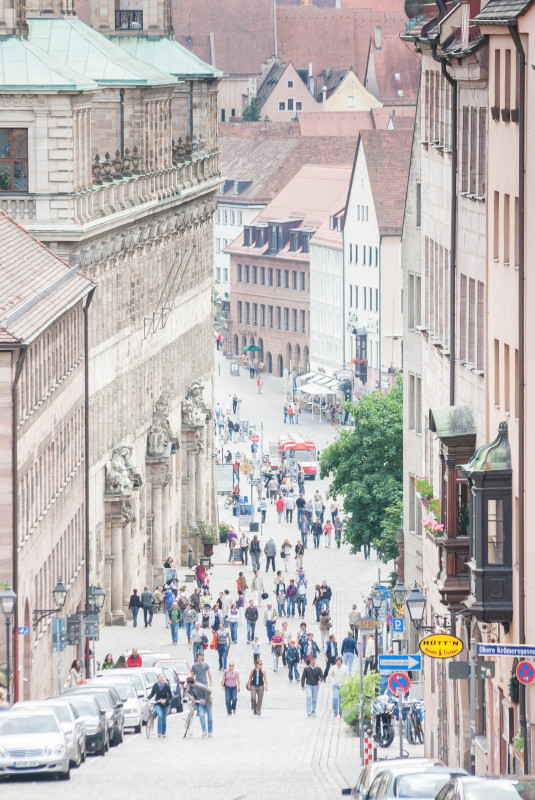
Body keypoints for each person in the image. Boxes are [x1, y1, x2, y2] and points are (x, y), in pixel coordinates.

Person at [148, 673, 172, 738]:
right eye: (160, 678)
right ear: (158, 679)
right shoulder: (155, 685)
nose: (161, 679)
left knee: (164, 718)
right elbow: (152, 694)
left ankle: (163, 732)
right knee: (160, 716)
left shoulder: (166, 686)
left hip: (165, 704)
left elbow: (170, 696)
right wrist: (147, 698)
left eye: (162, 677)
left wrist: (165, 700)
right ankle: (159, 732)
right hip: (158, 703)